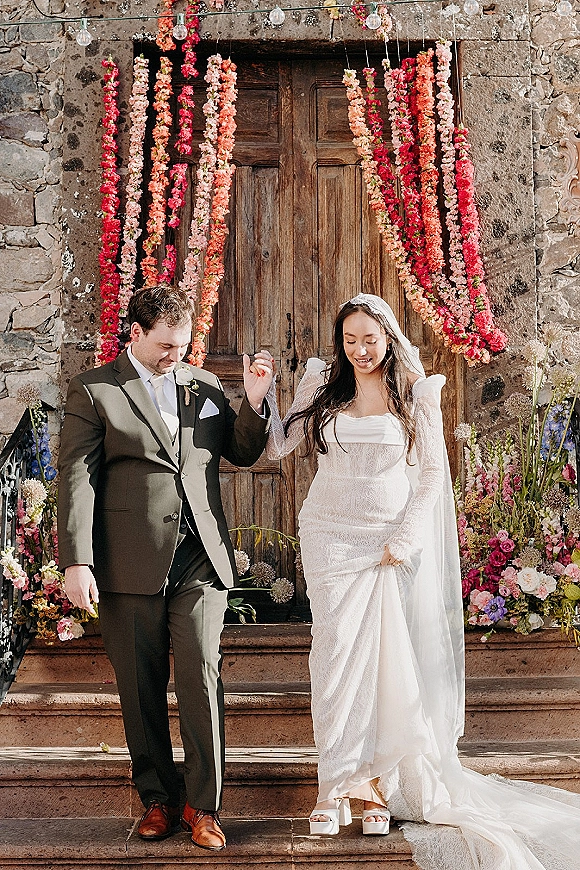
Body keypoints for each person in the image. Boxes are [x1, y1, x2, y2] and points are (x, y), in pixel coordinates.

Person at [265, 292, 580, 870]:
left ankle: (377, 784)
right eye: (350, 339)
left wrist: (405, 537)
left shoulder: (417, 394)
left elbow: (434, 472)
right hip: (328, 533)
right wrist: (265, 397)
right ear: (340, 341)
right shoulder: (322, 387)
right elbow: (279, 447)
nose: (360, 350)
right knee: (333, 656)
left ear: (388, 339)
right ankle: (333, 782)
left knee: (384, 660)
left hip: (384, 541)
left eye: (371, 339)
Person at [58, 284, 273, 852]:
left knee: (201, 675)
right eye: (165, 346)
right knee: (140, 686)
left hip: (200, 554)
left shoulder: (202, 384)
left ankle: (204, 807)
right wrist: (78, 560)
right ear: (136, 333)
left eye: (182, 345)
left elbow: (243, 452)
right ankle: (158, 799)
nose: (176, 356)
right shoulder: (96, 390)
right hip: (129, 561)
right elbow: (76, 479)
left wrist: (252, 401)